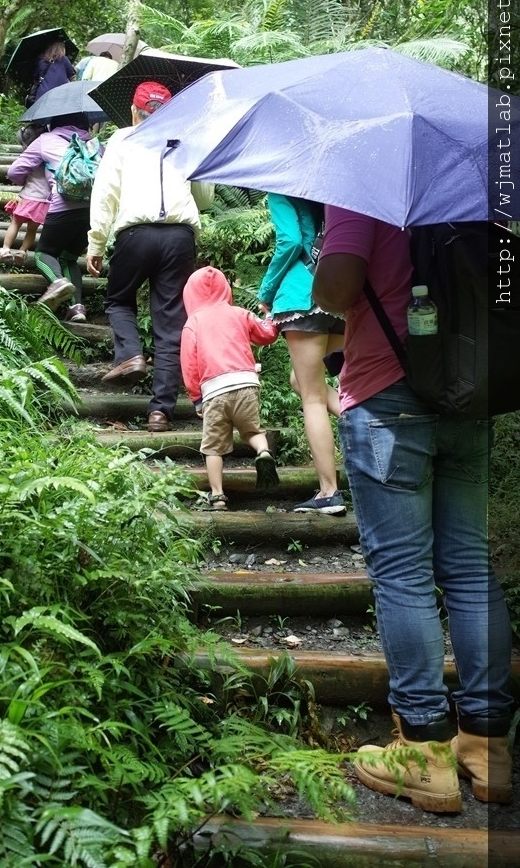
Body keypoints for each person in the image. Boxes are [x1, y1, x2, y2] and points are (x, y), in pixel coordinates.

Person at [312, 206, 515, 813]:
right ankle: (488, 748)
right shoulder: (472, 184)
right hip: (467, 388)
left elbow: (339, 285)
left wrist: (322, 264)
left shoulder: (364, 182)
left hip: (387, 392)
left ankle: (424, 750)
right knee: (472, 567)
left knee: (403, 572)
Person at [86, 81, 215, 433]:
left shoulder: (122, 139)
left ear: (133, 111)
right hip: (180, 237)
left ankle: (129, 354)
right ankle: (160, 412)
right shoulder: (186, 139)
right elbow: (204, 197)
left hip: (135, 234)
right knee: (171, 324)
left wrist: (96, 244)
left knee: (117, 301)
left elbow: (105, 195)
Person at [257, 194, 346, 515]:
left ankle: (328, 492)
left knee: (311, 397)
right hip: (336, 292)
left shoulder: (280, 188)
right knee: (302, 381)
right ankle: (367, 424)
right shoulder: (328, 189)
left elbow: (290, 239)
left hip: (301, 295)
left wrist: (265, 292)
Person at [181, 266, 280, 510]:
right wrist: (270, 315)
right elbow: (267, 335)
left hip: (214, 391)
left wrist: (196, 398)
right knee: (252, 431)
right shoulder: (240, 313)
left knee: (213, 446)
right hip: (246, 384)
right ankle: (264, 452)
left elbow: (189, 365)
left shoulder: (193, 322)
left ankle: (217, 495)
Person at [7, 113, 101, 322]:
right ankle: (77, 308)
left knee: (43, 254)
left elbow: (14, 172)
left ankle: (57, 282)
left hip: (62, 207)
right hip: (93, 211)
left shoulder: (45, 140)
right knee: (68, 257)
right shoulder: (95, 144)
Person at [0, 125, 50, 265]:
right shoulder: (49, 159)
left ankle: (5, 249)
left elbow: (19, 173)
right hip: (43, 201)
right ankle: (22, 251)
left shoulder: (31, 158)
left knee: (15, 223)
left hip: (27, 197)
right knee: (32, 230)